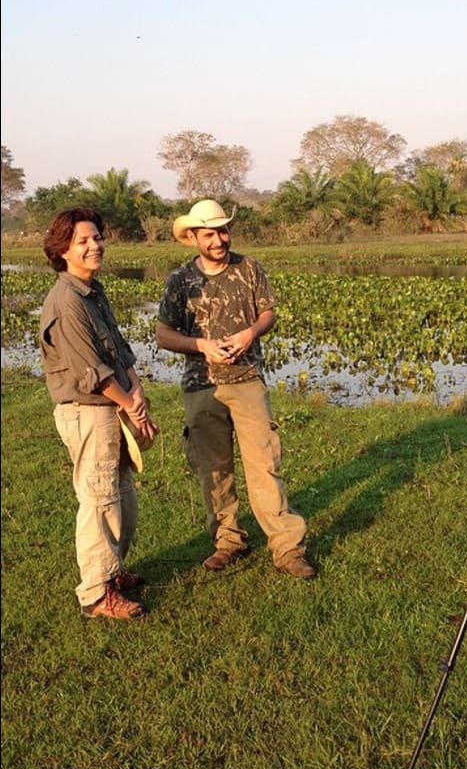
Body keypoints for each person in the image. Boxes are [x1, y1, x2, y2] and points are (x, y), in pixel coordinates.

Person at [155, 199, 314, 578]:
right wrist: (201, 346)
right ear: (192, 236)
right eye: (209, 234)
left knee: (265, 465)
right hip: (201, 386)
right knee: (213, 469)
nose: (219, 239)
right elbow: (163, 334)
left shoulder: (249, 267)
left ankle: (287, 548)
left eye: (223, 231)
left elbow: (268, 312)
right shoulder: (179, 281)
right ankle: (228, 541)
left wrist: (251, 332)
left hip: (247, 380)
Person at [39, 207, 159, 620]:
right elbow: (91, 372)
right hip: (88, 410)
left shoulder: (93, 292)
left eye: (97, 238)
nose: (94, 246)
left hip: (114, 406)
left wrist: (137, 392)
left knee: (121, 493)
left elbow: (119, 350)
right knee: (98, 498)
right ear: (63, 252)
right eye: (83, 241)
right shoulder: (66, 301)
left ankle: (113, 572)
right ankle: (95, 592)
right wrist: (130, 404)